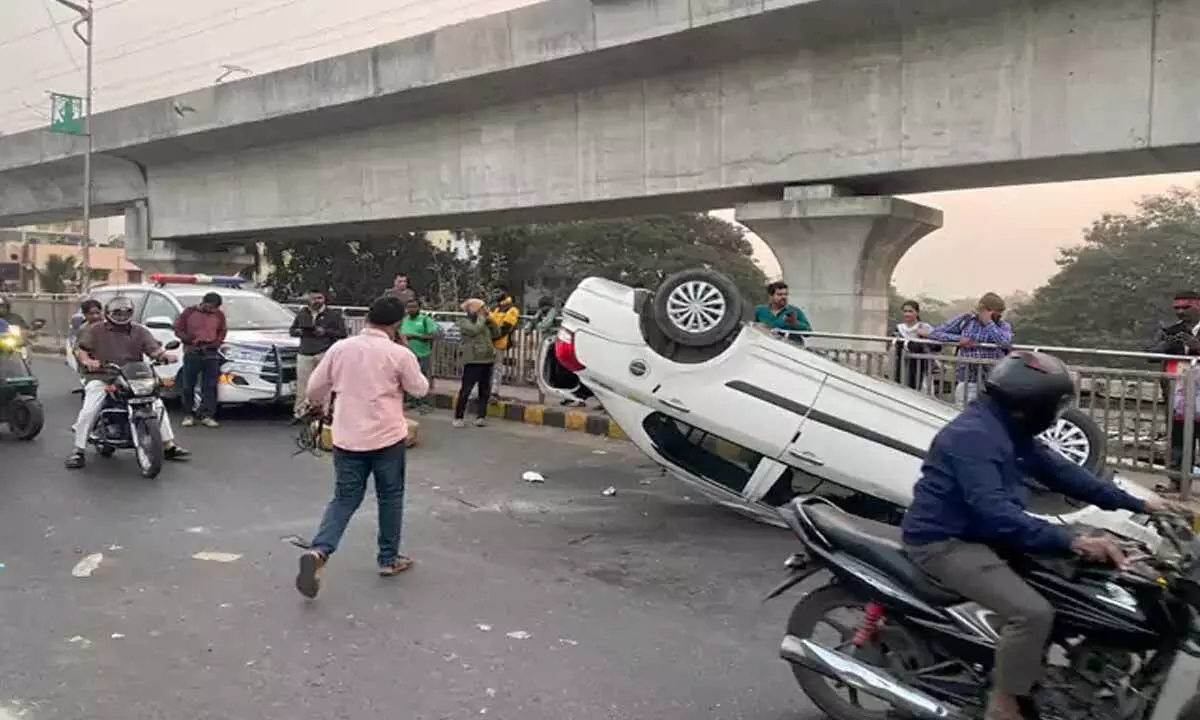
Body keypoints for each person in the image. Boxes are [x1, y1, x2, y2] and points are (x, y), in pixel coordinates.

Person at [901, 351, 1173, 720]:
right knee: (1032, 613)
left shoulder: (1010, 430)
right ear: (1032, 406)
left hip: (985, 534)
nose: (1056, 416)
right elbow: (996, 514)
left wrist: (1142, 505)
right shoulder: (973, 438)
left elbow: (1065, 474)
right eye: (1055, 407)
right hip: (946, 542)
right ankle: (1004, 702)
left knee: (1081, 583)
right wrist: (1072, 540)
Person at [294, 295, 430, 599]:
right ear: (396, 324)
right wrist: (406, 349)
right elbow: (420, 388)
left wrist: (318, 406)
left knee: (344, 497)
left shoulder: (340, 348)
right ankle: (388, 558)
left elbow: (315, 387)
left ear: (367, 317)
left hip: (347, 436)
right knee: (390, 497)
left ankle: (320, 551)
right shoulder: (398, 353)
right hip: (386, 437)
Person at [66, 296, 191, 469]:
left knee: (157, 404)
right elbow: (81, 350)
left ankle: (168, 445)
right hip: (103, 375)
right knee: (90, 408)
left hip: (133, 376)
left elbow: (153, 349)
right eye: (117, 312)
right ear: (109, 313)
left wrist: (163, 356)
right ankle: (78, 450)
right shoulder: (95, 330)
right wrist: (88, 361)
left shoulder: (140, 331)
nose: (121, 316)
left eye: (126, 312)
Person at [1147, 291, 1200, 483]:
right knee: (1178, 440)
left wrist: (1197, 346)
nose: (1180, 312)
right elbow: (1149, 355)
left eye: (1186, 307)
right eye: (1177, 308)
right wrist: (1167, 346)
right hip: (1177, 395)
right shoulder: (1169, 330)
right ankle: (1177, 484)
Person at [921, 292, 1012, 405]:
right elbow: (936, 333)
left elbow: (1004, 342)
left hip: (992, 378)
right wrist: (959, 339)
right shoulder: (966, 320)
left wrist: (989, 323)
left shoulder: (1002, 326)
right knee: (962, 409)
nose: (999, 316)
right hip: (968, 377)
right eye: (995, 313)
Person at [289, 290, 347, 420]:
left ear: (324, 299)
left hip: (324, 352)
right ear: (309, 300)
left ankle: (324, 413)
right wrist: (298, 331)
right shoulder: (303, 313)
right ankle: (300, 412)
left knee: (324, 384)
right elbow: (292, 330)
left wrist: (325, 332)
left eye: (320, 298)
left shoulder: (333, 315)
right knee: (303, 385)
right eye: (314, 298)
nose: (317, 301)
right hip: (305, 352)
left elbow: (342, 333)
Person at [174, 292, 228, 428]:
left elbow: (222, 331)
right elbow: (178, 329)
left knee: (210, 386)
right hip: (193, 352)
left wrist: (216, 343)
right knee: (188, 385)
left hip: (211, 353)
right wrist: (189, 340)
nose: (211, 310)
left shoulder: (219, 315)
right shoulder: (189, 312)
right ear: (203, 302)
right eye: (210, 307)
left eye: (214, 308)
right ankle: (188, 414)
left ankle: (207, 415)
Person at [454, 298, 497, 428]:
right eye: (481, 309)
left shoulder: (484, 322)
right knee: (466, 389)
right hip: (473, 360)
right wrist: (482, 318)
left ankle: (481, 416)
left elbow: (497, 333)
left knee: (484, 389)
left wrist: (491, 321)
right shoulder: (463, 322)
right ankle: (459, 416)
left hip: (487, 359)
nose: (483, 311)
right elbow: (474, 330)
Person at [399, 298, 438, 414]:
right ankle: (410, 401)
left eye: (414, 307)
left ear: (419, 308)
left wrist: (415, 336)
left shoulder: (425, 320)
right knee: (407, 377)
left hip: (423, 353)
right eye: (409, 307)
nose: (411, 310)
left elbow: (433, 335)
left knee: (423, 378)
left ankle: (425, 403)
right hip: (407, 354)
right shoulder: (404, 321)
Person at [893, 300, 940, 391]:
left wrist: (925, 336)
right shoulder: (899, 328)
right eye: (905, 311)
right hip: (903, 363)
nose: (907, 314)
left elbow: (937, 345)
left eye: (910, 311)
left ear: (917, 313)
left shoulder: (924, 327)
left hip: (922, 364)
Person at [487, 291, 520, 392]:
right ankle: (486, 390)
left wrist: (492, 337)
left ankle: (494, 391)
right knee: (486, 368)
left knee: (496, 368)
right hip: (489, 342)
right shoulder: (494, 307)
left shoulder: (512, 309)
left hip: (499, 342)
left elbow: (506, 328)